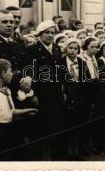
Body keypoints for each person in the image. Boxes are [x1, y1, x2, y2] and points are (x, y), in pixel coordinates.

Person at [0, 59, 37, 158]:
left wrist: (28, 111)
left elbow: (11, 111)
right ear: (3, 74)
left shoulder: (6, 90)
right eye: (10, 71)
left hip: (9, 130)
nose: (12, 74)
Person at [26, 20, 63, 160]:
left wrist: (62, 90)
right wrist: (33, 94)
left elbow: (59, 71)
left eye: (52, 33)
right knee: (42, 126)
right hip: (42, 93)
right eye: (47, 33)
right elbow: (31, 73)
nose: (50, 35)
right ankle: (42, 158)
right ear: (40, 34)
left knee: (56, 124)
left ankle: (55, 156)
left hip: (56, 92)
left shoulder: (56, 48)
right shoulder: (33, 50)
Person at [58, 38, 90, 159]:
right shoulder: (61, 63)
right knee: (68, 124)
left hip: (80, 97)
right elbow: (60, 81)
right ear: (66, 49)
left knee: (79, 124)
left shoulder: (82, 62)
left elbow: (87, 82)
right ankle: (68, 151)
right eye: (70, 48)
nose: (72, 51)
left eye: (75, 48)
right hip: (67, 97)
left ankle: (78, 151)